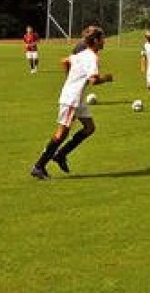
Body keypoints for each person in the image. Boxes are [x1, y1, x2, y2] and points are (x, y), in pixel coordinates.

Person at [31, 25, 112, 180]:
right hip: (72, 99)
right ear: (96, 41)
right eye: (102, 38)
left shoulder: (82, 54)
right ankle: (39, 166)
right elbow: (94, 80)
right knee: (61, 133)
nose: (104, 41)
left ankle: (61, 154)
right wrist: (106, 78)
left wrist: (71, 79)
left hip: (77, 97)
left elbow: (65, 61)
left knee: (89, 128)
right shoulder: (92, 57)